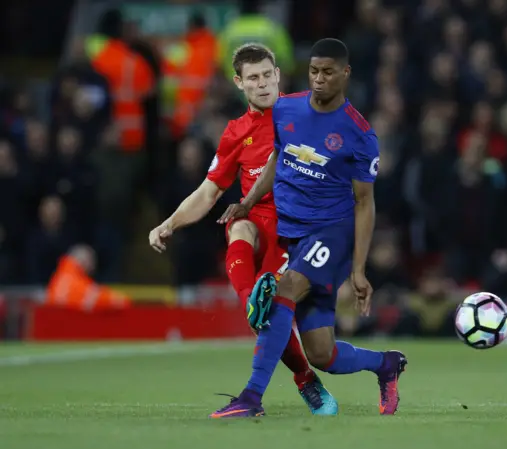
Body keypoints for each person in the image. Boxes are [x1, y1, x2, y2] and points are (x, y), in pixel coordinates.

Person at [212, 38, 407, 418]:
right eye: (314, 71)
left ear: (345, 74)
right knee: (322, 353)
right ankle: (386, 363)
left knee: (281, 293)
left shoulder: (359, 134)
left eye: (328, 72)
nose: (319, 79)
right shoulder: (286, 108)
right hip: (292, 234)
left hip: (331, 233)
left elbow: (365, 202)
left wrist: (359, 269)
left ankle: (251, 398)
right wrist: (249, 202)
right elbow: (276, 158)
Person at [148, 43, 337, 415]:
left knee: (273, 315)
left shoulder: (308, 110)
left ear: (278, 75)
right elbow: (208, 193)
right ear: (239, 83)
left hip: (296, 229)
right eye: (254, 78)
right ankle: (257, 306)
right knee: (238, 225)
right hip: (257, 220)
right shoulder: (236, 133)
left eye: (268, 75)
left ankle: (304, 377)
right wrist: (169, 223)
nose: (263, 84)